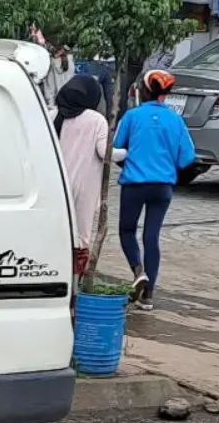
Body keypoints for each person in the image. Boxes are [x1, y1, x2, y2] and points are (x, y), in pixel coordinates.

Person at [112, 69, 196, 310]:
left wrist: (128, 160)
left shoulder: (132, 116)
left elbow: (117, 148)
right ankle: (148, 296)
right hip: (163, 187)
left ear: (145, 90)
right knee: (152, 236)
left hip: (134, 184)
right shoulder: (176, 120)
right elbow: (186, 157)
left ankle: (138, 271)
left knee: (127, 230)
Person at [53, 75, 124, 278]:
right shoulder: (95, 120)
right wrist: (129, 152)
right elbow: (105, 152)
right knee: (81, 235)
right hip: (85, 187)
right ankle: (76, 280)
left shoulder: (53, 115)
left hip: (57, 185)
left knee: (59, 231)